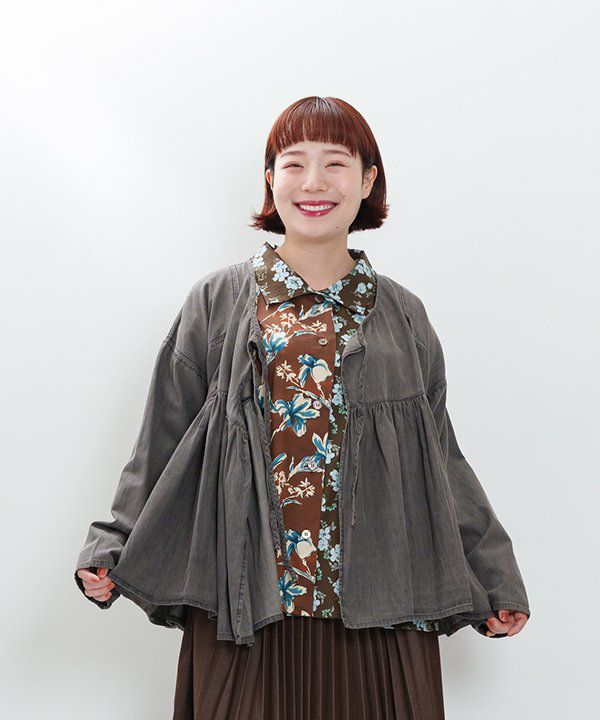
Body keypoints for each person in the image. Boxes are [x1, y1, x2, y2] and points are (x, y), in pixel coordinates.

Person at [76, 96, 529, 719]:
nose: (314, 182)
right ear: (271, 179)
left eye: (336, 163)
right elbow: (163, 439)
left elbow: (441, 458)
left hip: (384, 606)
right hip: (243, 601)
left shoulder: (405, 316)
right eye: (294, 163)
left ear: (367, 181)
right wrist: (113, 542)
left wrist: (494, 573)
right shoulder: (217, 301)